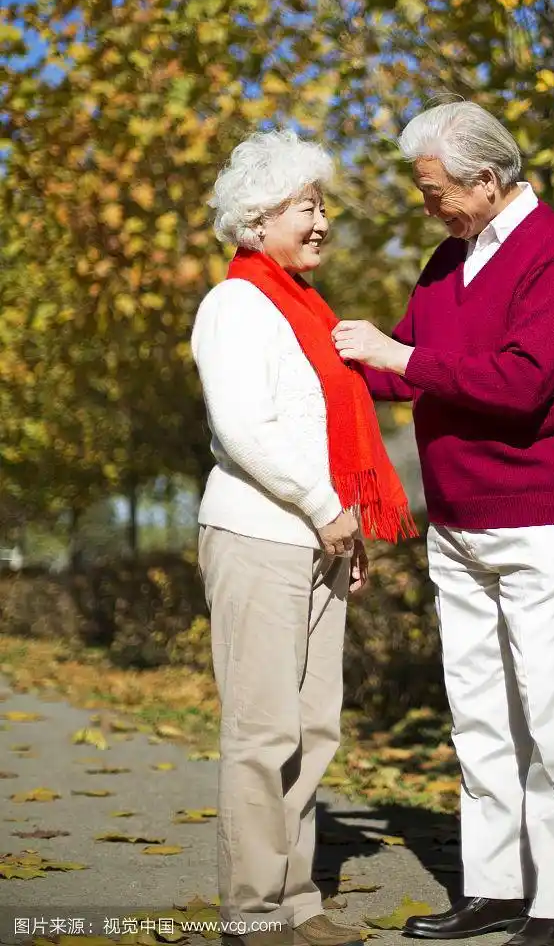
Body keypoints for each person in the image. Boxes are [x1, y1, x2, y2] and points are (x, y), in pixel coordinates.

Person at [332, 102, 554, 946]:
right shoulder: (449, 257)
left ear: (486, 180)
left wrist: (400, 357)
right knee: (480, 715)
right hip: (454, 520)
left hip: (536, 519)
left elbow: (521, 383)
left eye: (436, 192)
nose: (429, 208)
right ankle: (495, 888)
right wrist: (322, 356)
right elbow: (399, 371)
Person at [191, 129, 416, 946]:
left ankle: (296, 902)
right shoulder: (236, 306)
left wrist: (344, 531)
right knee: (262, 733)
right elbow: (245, 428)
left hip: (318, 539)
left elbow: (322, 433)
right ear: (257, 220)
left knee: (314, 727)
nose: (322, 222)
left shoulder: (306, 311)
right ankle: (252, 916)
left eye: (322, 207)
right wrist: (326, 507)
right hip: (259, 534)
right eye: (305, 208)